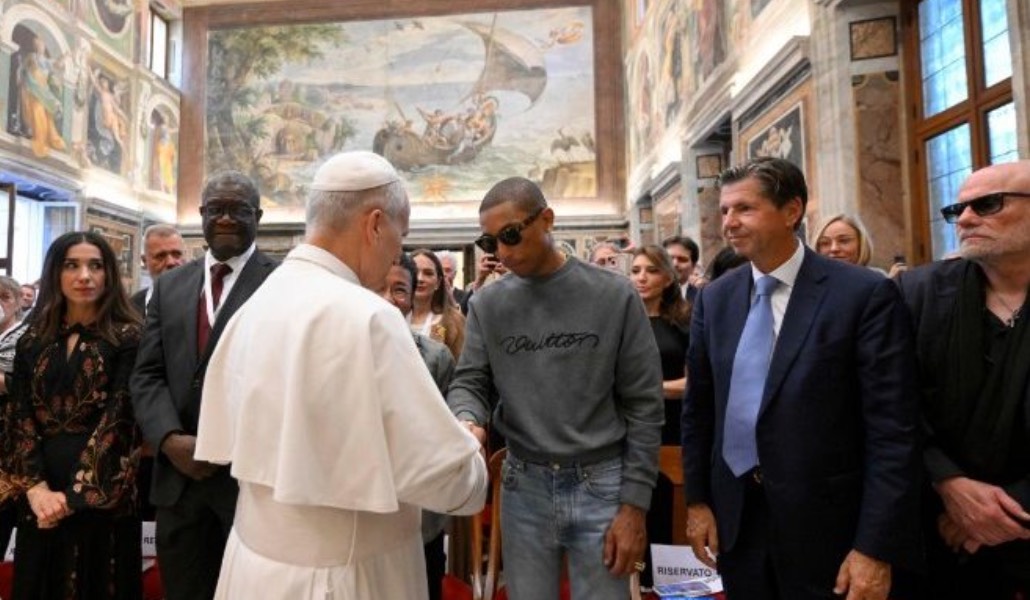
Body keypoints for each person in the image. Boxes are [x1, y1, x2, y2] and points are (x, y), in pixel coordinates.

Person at [194, 150, 487, 599]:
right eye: (399, 237)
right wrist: (470, 447)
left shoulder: (255, 303)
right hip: (346, 577)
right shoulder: (370, 317)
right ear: (374, 224)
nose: (396, 254)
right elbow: (442, 478)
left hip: (253, 567)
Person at [681, 157, 921, 600]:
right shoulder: (716, 299)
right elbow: (700, 409)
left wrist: (874, 545)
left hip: (828, 527)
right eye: (725, 211)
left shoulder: (862, 294)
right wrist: (697, 502)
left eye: (745, 209)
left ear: (791, 211)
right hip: (738, 521)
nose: (729, 223)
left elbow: (893, 430)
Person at [448, 176, 663, 599]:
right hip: (522, 483)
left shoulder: (613, 294)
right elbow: (470, 380)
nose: (503, 252)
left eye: (511, 236)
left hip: (602, 482)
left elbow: (644, 405)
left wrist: (634, 505)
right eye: (490, 243)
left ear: (547, 219)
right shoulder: (488, 304)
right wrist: (467, 417)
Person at [131, 171, 277, 600]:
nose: (227, 219)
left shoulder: (282, 282)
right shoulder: (171, 285)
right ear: (201, 215)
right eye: (216, 209)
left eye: (239, 210)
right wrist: (169, 438)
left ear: (259, 216)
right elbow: (147, 374)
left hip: (249, 479)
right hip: (180, 480)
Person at [895, 161, 1030, 598]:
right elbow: (891, 404)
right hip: (932, 534)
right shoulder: (916, 295)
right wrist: (949, 484)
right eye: (958, 209)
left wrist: (1009, 511)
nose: (966, 219)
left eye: (988, 204)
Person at [2, 231, 142, 599]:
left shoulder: (128, 337)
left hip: (102, 496)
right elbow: (19, 414)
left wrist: (75, 495)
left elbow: (121, 417)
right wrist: (36, 489)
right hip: (41, 494)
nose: (85, 275)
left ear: (109, 274)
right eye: (72, 265)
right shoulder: (33, 338)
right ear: (55, 273)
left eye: (95, 266)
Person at [378, 252, 457, 600]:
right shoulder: (337, 352)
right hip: (364, 512)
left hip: (420, 513)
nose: (387, 300)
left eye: (398, 291)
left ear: (411, 299)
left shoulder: (436, 358)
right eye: (379, 288)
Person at [0, 276, 30, 554]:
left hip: (11, 445)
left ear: (19, 301)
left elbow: (8, 381)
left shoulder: (24, 336)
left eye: (4, 297)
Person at [409, 249, 466, 358]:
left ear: (438, 282)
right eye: (414, 272)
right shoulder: (392, 316)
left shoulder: (454, 320)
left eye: (428, 273)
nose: (420, 278)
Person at [132, 223, 187, 315]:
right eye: (160, 256)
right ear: (145, 261)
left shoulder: (203, 300)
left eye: (176, 254)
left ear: (185, 257)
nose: (170, 262)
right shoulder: (131, 308)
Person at [662, 235, 701, 302]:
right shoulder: (648, 296)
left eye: (682, 259)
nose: (675, 264)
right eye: (669, 259)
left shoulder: (701, 298)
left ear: (693, 266)